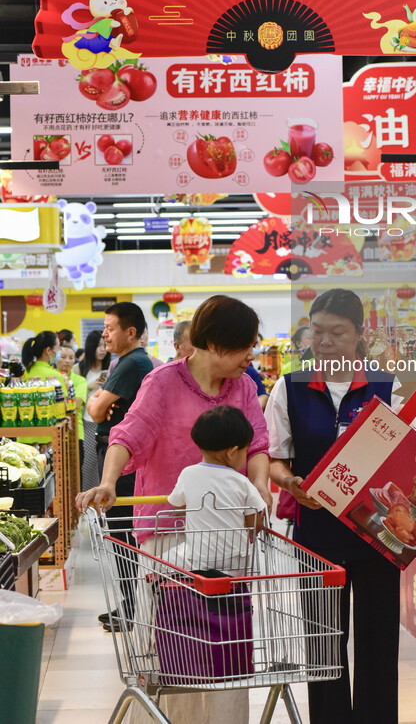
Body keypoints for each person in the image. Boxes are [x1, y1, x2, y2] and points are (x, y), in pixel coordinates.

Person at [76, 294, 271, 724]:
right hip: (169, 534)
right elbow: (128, 435)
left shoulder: (244, 386)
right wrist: (108, 482)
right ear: (217, 344)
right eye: (246, 346)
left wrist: (259, 486)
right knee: (174, 649)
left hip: (227, 536)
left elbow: (257, 442)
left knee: (226, 645)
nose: (252, 356)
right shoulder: (163, 383)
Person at [267, 288, 412, 724]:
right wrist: (291, 483)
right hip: (317, 534)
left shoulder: (388, 386)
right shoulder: (288, 387)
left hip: (378, 534)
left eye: (337, 332)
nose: (325, 342)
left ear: (359, 334)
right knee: (324, 642)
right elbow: (276, 458)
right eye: (317, 331)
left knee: (378, 639)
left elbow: (409, 456)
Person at [87, 302, 154, 632]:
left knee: (123, 533)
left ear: (131, 332)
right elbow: (100, 409)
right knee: (121, 534)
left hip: (122, 460)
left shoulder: (132, 363)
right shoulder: (128, 361)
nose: (104, 333)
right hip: (117, 454)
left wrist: (98, 398)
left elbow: (97, 412)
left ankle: (132, 607)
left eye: (110, 328)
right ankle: (129, 604)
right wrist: (100, 401)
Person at [167, 405, 265, 574]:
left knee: (162, 561)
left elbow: (178, 509)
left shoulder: (187, 474)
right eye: (246, 451)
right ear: (232, 452)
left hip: (198, 562)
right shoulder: (242, 482)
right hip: (236, 566)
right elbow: (254, 524)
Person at [73, 330, 111, 491]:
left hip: (106, 422)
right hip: (85, 422)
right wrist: (89, 387)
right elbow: (72, 397)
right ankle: (88, 503)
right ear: (90, 347)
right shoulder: (79, 369)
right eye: (98, 346)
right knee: (87, 465)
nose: (102, 349)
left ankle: (102, 503)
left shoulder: (111, 368)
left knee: (105, 466)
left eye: (104, 346)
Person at [21, 331, 69, 445]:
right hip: (46, 439)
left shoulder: (24, 373)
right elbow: (63, 407)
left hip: (22, 437)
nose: (59, 351)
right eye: (57, 348)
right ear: (48, 350)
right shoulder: (55, 377)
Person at [57, 343, 87, 480]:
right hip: (54, 433)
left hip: (76, 433)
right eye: (63, 357)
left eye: (71, 357)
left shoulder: (80, 380)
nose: (67, 361)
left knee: (75, 475)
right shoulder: (52, 378)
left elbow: (75, 404)